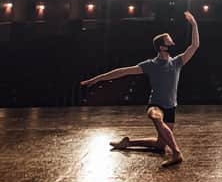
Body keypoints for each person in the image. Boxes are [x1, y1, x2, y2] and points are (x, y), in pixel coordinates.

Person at [80, 11, 200, 167]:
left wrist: (194, 24)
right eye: (169, 41)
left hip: (171, 107)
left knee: (160, 145)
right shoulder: (151, 64)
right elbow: (122, 71)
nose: (173, 43)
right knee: (156, 117)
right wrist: (96, 79)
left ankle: (127, 143)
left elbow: (194, 45)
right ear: (162, 47)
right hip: (156, 104)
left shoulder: (177, 62)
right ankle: (177, 153)